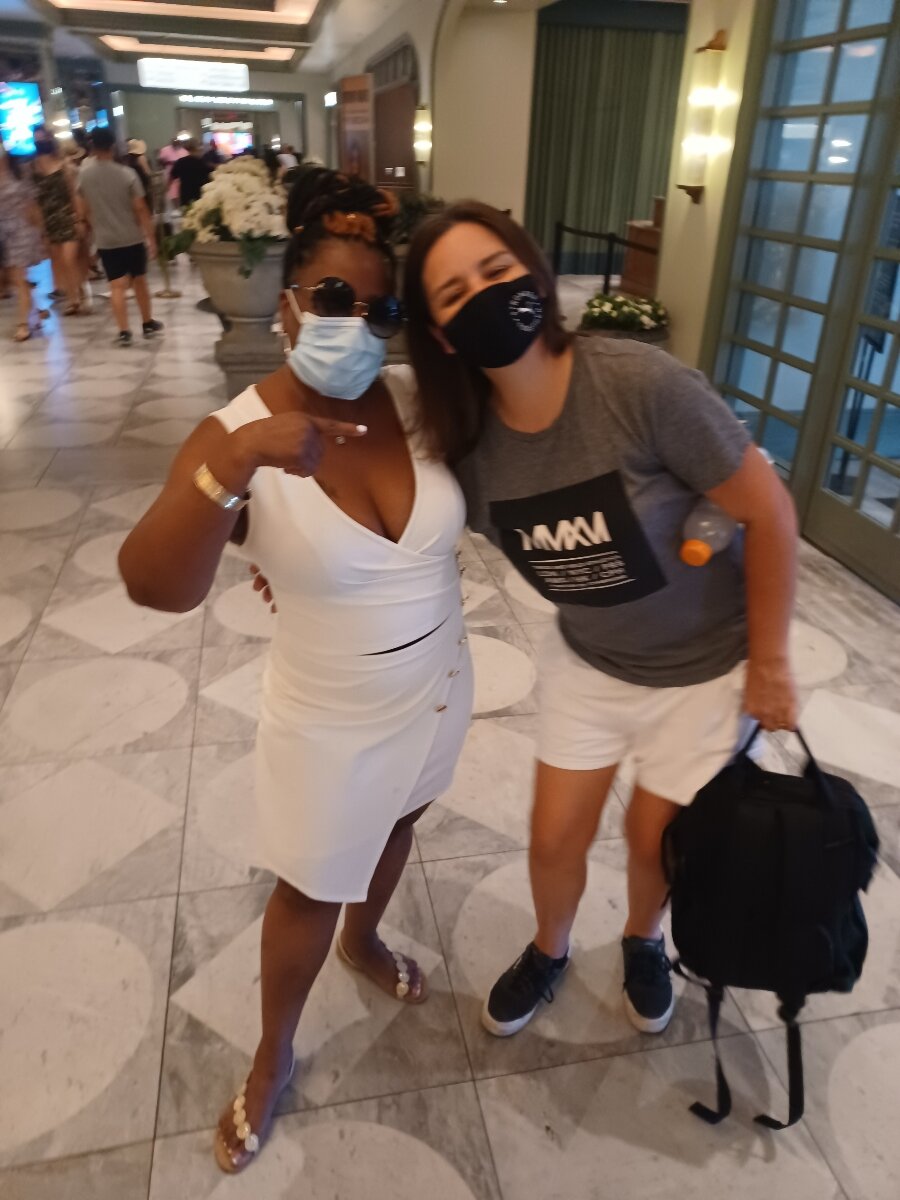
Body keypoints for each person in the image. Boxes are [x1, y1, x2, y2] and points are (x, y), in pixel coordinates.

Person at [117, 169, 473, 1174]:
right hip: (329, 711)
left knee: (400, 823)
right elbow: (153, 585)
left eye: (380, 310)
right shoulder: (229, 433)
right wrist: (235, 469)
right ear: (287, 303)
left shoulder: (416, 404)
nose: (355, 325)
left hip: (441, 682)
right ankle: (273, 1052)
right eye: (333, 298)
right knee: (311, 886)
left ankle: (368, 939)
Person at [401, 201, 799, 1039]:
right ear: (440, 334)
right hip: (592, 662)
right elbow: (402, 535)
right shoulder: (469, 448)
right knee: (553, 837)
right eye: (455, 293)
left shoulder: (640, 386)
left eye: (497, 271)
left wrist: (770, 662)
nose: (485, 295)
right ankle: (550, 949)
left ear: (535, 275)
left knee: (653, 837)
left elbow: (768, 511)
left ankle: (642, 940)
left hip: (707, 671)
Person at [76, 128, 163, 347]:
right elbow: (140, 208)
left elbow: (82, 209)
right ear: (113, 146)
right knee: (139, 281)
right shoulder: (127, 174)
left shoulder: (84, 175)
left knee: (116, 286)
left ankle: (124, 331)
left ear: (92, 147)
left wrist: (91, 228)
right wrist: (151, 238)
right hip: (131, 237)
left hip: (105, 239)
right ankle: (147, 323)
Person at [31, 133, 86, 315]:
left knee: (69, 259)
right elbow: (35, 203)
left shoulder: (64, 167)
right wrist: (40, 228)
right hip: (49, 221)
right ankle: (73, 295)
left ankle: (75, 297)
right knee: (60, 262)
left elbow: (74, 194)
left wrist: (79, 218)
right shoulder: (33, 171)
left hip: (67, 217)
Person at [0, 146, 49, 341]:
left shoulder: (20, 171)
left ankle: (23, 324)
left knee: (19, 277)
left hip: (23, 229)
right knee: (15, 278)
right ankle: (36, 309)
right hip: (4, 232)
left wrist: (42, 232)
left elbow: (33, 204)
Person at [170, 138, 212, 208]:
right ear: (197, 148)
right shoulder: (202, 163)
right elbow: (209, 178)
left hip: (186, 196)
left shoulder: (180, 162)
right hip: (200, 197)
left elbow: (173, 175)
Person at [158, 136, 188, 205]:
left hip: (181, 176)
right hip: (169, 174)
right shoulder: (165, 150)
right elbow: (160, 161)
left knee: (180, 193)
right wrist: (165, 165)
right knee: (171, 194)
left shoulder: (184, 151)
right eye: (174, 141)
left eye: (177, 141)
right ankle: (175, 208)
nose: (175, 142)